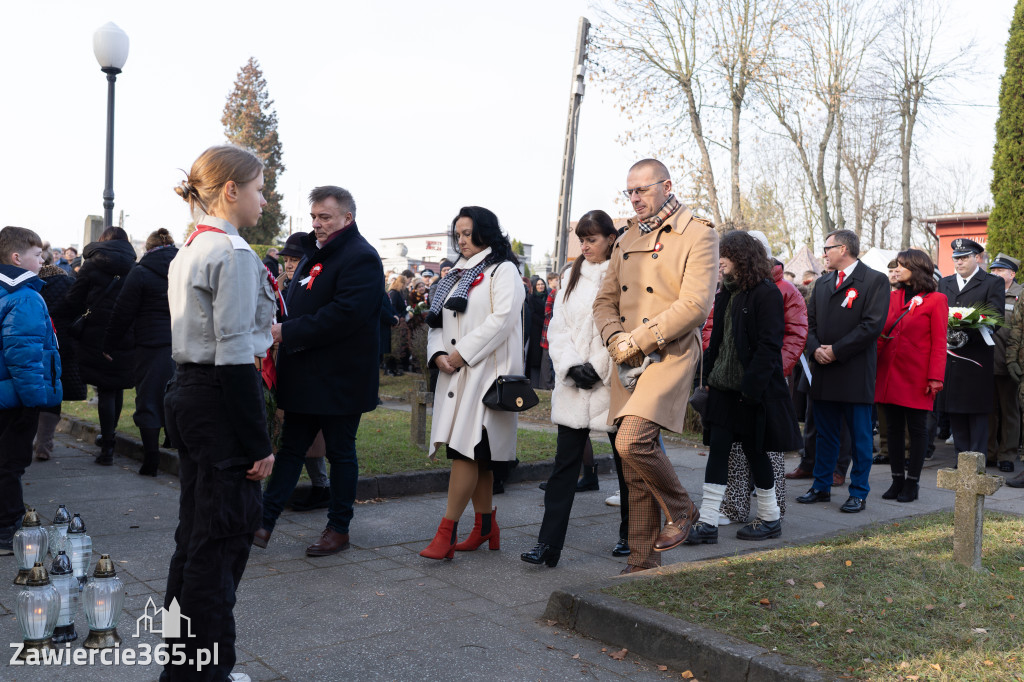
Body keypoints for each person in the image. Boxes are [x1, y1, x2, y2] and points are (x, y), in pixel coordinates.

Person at [162, 145, 276, 682]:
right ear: (231, 190)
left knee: (196, 538)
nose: (264, 197)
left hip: (190, 391)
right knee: (221, 543)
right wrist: (259, 443)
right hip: (218, 395)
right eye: (258, 187)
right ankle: (204, 673)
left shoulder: (191, 246)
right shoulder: (231, 251)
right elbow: (233, 357)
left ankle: (185, 668)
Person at [592, 158, 717, 573]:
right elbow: (604, 300)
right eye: (629, 191)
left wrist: (639, 340)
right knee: (631, 470)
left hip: (669, 352)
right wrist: (614, 339)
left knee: (632, 442)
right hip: (626, 358)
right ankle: (642, 564)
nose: (634, 198)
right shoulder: (626, 237)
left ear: (666, 186)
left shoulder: (697, 233)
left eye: (642, 189)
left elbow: (695, 305)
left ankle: (682, 511)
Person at [255, 185, 383, 557]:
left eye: (324, 217)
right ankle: (263, 522)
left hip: (340, 378)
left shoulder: (361, 257)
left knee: (341, 453)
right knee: (291, 448)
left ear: (348, 217)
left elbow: (344, 315)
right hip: (305, 373)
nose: (317, 224)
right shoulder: (316, 251)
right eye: (313, 217)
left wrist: (287, 331)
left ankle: (338, 528)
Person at [419, 206, 525, 560]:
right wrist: (438, 356)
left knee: (468, 449)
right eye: (458, 234)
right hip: (455, 374)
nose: (462, 241)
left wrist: (462, 354)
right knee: (476, 453)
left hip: (486, 375)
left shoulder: (503, 270)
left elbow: (503, 319)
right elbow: (436, 323)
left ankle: (445, 532)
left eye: (468, 233)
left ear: (486, 232)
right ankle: (484, 527)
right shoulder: (453, 276)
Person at [521, 210, 625, 568]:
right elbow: (557, 324)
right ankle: (548, 545)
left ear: (611, 238)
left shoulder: (624, 271)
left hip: (613, 383)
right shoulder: (571, 274)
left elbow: (623, 327)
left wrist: (598, 368)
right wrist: (569, 366)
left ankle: (630, 534)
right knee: (563, 467)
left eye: (592, 238)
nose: (585, 245)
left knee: (626, 463)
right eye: (582, 239)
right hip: (573, 384)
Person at [685, 230, 801, 544]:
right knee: (718, 453)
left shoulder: (766, 293)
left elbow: (768, 346)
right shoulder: (725, 293)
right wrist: (709, 379)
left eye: (721, 258)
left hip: (752, 393)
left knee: (757, 453)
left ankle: (770, 519)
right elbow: (717, 344)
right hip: (723, 390)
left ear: (739, 258)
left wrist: (752, 390)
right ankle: (707, 523)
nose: (717, 265)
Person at [717, 230, 805, 526]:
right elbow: (715, 328)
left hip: (769, 378)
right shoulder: (731, 288)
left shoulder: (783, 290)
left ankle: (773, 508)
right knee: (735, 448)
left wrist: (771, 369)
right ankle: (735, 505)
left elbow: (794, 334)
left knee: (769, 446)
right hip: (736, 377)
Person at [798, 229, 889, 513]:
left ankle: (859, 491)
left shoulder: (874, 280)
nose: (823, 253)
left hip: (853, 371)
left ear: (844, 249)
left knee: (860, 437)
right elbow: (808, 323)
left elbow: (871, 326)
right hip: (824, 371)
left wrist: (835, 350)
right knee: (825, 434)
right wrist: (815, 349)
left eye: (827, 248)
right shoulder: (823, 283)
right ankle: (821, 485)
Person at [0, 226, 61, 553]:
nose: (43, 259)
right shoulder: (24, 296)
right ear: (16, 258)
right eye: (37, 255)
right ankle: (8, 528)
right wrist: (36, 399)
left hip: (5, 394)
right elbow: (22, 355)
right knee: (11, 462)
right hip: (17, 398)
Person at [874, 249, 948, 503]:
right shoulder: (892, 296)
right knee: (892, 428)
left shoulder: (936, 299)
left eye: (902, 265)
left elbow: (939, 341)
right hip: (889, 372)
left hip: (917, 375)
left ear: (915, 268)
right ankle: (896, 480)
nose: (896, 269)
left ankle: (912, 483)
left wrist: (935, 377)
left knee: (917, 430)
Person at [58, 226, 137, 465]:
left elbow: (74, 299)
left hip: (96, 334)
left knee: (105, 389)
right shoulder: (135, 268)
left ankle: (108, 446)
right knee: (117, 387)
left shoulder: (92, 265)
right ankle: (109, 437)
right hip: (125, 334)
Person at [102, 228, 178, 476]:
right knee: (178, 396)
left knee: (148, 400)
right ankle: (173, 442)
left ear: (147, 248)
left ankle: (151, 459)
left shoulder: (141, 272)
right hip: (184, 342)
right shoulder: (185, 267)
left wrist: (109, 344)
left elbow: (122, 311)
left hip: (151, 344)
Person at [937, 238, 1004, 457]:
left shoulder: (991, 282)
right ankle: (961, 459)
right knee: (955, 409)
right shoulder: (945, 283)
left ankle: (976, 461)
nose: (959, 262)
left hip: (976, 354)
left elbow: (996, 317)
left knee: (976, 411)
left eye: (964, 258)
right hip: (950, 355)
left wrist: (966, 328)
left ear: (977, 258)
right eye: (956, 258)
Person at [33, 262, 85, 461]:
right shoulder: (71, 283)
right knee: (55, 393)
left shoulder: (34, 285)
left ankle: (29, 438)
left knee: (34, 390)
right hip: (65, 346)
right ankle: (44, 444)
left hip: (37, 345)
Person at [987, 253, 1022, 472]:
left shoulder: (1021, 295)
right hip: (988, 361)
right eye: (993, 270)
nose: (995, 274)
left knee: (1010, 410)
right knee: (989, 410)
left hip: (1010, 363)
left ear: (1012, 273)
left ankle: (1007, 455)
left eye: (1000, 270)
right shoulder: (989, 293)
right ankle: (989, 452)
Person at [526, 276, 548, 388]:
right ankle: (534, 383)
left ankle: (542, 382)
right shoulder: (532, 298)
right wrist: (544, 322)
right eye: (538, 285)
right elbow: (532, 313)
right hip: (536, 330)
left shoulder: (548, 296)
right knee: (535, 357)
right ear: (535, 286)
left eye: (542, 284)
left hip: (545, 331)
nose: (541, 286)